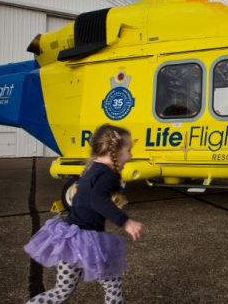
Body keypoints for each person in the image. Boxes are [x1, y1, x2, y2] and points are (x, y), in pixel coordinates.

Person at [24, 124, 143, 304]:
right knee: (112, 284)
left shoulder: (94, 168)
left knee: (61, 291)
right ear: (114, 151)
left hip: (70, 239)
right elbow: (98, 200)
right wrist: (127, 222)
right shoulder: (107, 175)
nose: (131, 155)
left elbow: (91, 198)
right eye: (128, 150)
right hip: (86, 242)